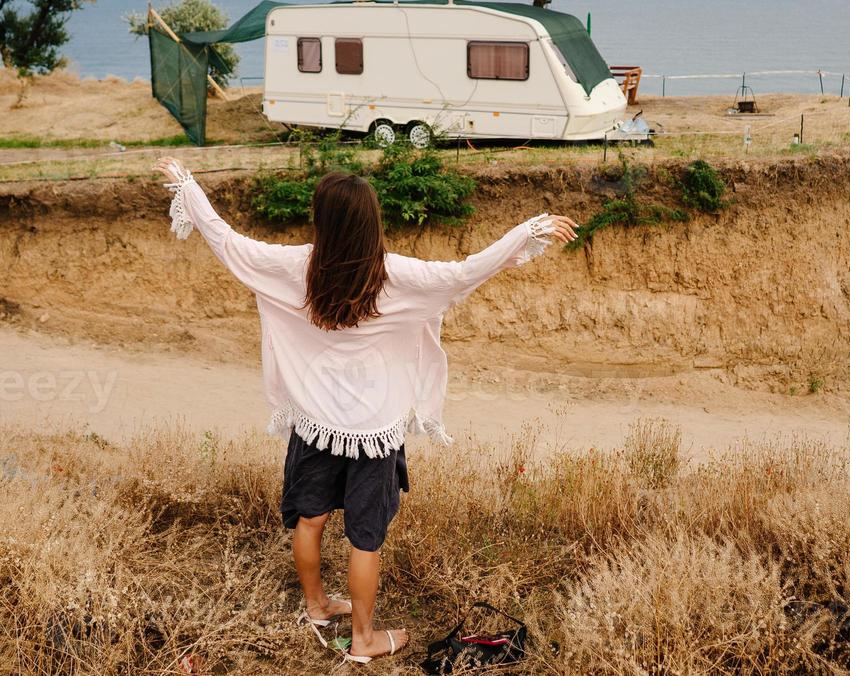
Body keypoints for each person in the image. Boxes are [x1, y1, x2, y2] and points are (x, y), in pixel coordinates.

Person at [154, 157, 576, 663]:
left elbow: (228, 241)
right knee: (364, 542)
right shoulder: (398, 275)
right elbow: (465, 271)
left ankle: (315, 606)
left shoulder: (296, 266)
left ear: (322, 221)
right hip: (373, 432)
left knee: (309, 521)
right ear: (373, 222)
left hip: (314, 425)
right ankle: (363, 640)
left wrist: (189, 184)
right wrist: (528, 230)